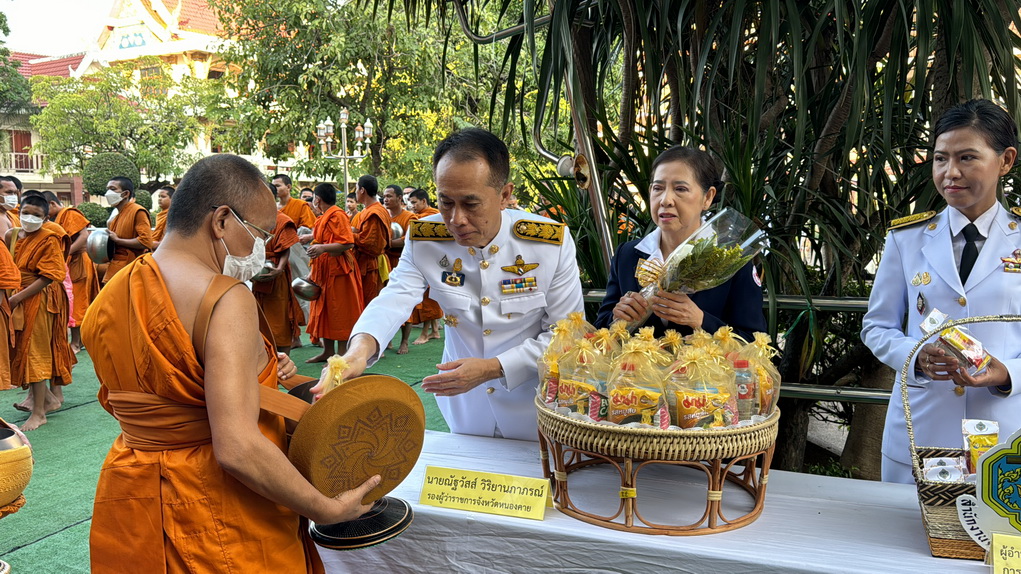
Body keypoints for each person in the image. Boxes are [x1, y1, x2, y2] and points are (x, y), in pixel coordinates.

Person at [81, 154, 379, 573]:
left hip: (133, 492)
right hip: (216, 508)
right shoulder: (225, 296)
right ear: (221, 221)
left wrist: (258, 371)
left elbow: (131, 396)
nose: (262, 250)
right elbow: (237, 448)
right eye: (260, 235)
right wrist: (324, 508)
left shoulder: (112, 291)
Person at [315, 128, 584, 441]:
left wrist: (494, 367)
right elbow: (396, 297)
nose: (455, 219)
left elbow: (566, 335)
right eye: (445, 202)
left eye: (471, 204)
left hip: (534, 404)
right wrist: (358, 351)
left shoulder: (549, 243)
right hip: (465, 407)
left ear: (505, 195)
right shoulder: (426, 238)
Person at [862, 99, 1021, 484]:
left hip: (1003, 437)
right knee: (902, 540)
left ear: (1005, 160)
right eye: (940, 159)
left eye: (967, 158)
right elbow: (877, 326)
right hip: (921, 432)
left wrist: (1007, 372)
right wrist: (916, 356)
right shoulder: (907, 239)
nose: (951, 173)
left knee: (988, 541)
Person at [594, 146, 766, 340]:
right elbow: (601, 330)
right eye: (658, 188)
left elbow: (754, 340)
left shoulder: (731, 259)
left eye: (680, 189)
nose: (665, 200)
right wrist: (618, 317)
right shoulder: (627, 254)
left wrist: (701, 320)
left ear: (707, 197)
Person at [6, 194, 74, 430]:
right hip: (16, 295)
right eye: (27, 213)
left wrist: (17, 298)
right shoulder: (11, 235)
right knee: (21, 348)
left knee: (35, 350)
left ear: (46, 218)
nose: (30, 219)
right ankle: (47, 398)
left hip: (39, 297)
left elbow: (49, 276)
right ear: (19, 211)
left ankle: (39, 414)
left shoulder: (49, 238)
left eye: (37, 215)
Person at [305, 183, 364, 363]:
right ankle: (328, 351)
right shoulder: (324, 217)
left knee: (341, 310)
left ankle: (343, 353)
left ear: (317, 199)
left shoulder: (337, 215)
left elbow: (347, 243)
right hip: (324, 269)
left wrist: (322, 248)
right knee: (326, 310)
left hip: (339, 271)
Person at [45, 191, 98, 354]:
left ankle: (76, 342)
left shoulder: (69, 213)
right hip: (69, 262)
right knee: (72, 301)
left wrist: (63, 254)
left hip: (78, 262)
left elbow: (83, 237)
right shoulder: (57, 218)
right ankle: (78, 340)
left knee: (77, 302)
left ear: (52, 204)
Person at [252, 209, 305, 355]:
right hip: (258, 273)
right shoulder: (252, 216)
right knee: (259, 318)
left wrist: (280, 268)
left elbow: (285, 248)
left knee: (280, 320)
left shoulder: (282, 220)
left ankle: (283, 359)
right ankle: (265, 359)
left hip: (276, 274)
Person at [406, 187, 443, 345]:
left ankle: (424, 333)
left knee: (429, 298)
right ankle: (434, 331)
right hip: (424, 261)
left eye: (415, 203)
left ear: (424, 201)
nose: (412, 206)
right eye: (411, 203)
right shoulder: (419, 217)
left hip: (432, 262)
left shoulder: (432, 216)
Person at [382, 184, 415, 354]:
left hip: (402, 262)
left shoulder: (409, 217)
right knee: (386, 302)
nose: (385, 199)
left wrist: (385, 243)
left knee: (404, 301)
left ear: (399, 198)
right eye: (384, 196)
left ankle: (404, 341)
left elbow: (407, 240)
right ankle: (387, 339)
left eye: (389, 196)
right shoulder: (383, 216)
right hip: (384, 263)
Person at [103, 176, 154, 284]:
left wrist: (118, 240)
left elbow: (145, 241)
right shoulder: (115, 218)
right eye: (107, 189)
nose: (108, 193)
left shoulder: (138, 211)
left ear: (125, 194)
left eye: (113, 189)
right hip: (115, 266)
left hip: (130, 266)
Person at [350, 175, 391, 304]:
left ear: (362, 190)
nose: (355, 192)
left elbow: (370, 244)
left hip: (371, 266)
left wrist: (348, 234)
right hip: (364, 264)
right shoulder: (369, 210)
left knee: (369, 304)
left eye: (356, 188)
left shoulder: (375, 213)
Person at [272, 174, 317, 242]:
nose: (274, 189)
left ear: (288, 187)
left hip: (294, 245)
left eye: (277, 186)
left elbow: (310, 228)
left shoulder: (300, 205)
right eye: (273, 186)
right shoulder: (272, 207)